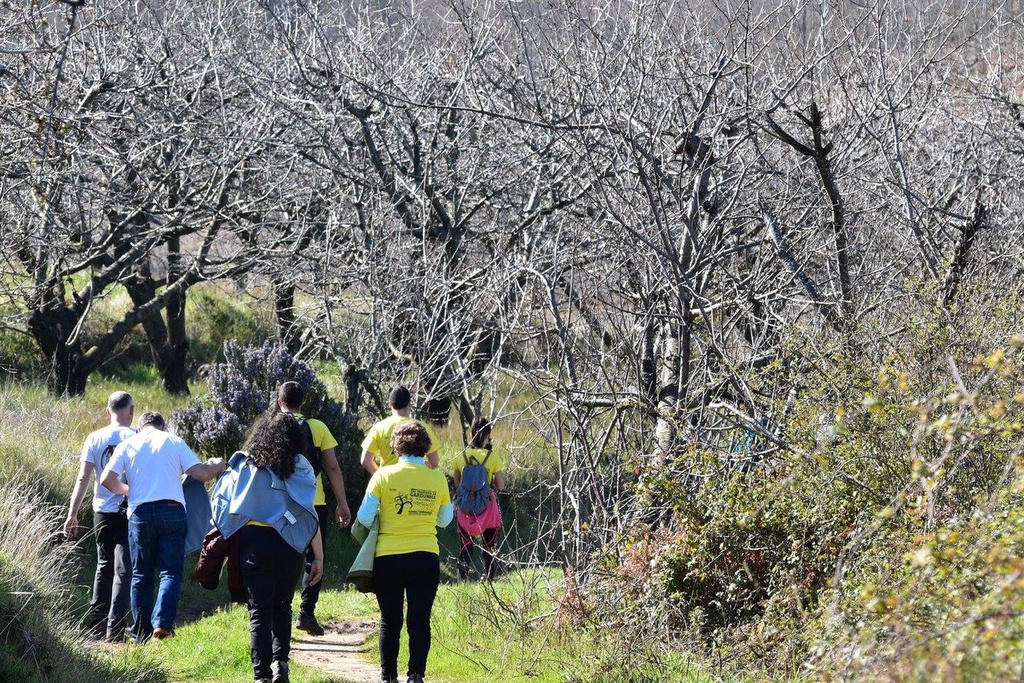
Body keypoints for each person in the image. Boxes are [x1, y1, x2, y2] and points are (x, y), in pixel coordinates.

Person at [211, 411, 324, 683]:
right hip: (290, 546)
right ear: (296, 438)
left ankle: (261, 675)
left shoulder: (247, 464)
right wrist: (318, 556)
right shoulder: (301, 466)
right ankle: (280, 665)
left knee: (259, 610)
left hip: (255, 545)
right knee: (283, 606)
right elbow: (309, 515)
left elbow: (221, 503)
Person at [100, 411, 226, 643]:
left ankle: (140, 633)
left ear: (140, 428)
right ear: (162, 426)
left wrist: (129, 491)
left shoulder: (128, 444)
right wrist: (217, 465)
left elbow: (106, 480)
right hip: (172, 512)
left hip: (140, 515)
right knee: (170, 572)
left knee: (141, 574)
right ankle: (162, 623)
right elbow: (202, 474)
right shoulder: (174, 441)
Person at [356, 421, 452, 683]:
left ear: (396, 446)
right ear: (424, 447)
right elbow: (444, 520)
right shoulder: (437, 478)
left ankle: (388, 676)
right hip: (425, 557)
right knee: (419, 620)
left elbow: (364, 518)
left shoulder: (383, 476)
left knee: (390, 620)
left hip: (388, 558)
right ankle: (416, 675)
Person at [276, 381, 350, 637]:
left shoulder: (272, 426)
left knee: (282, 556)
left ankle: (278, 608)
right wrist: (341, 502)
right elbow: (331, 467)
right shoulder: (317, 427)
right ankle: (306, 611)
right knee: (314, 558)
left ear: (279, 402)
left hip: (279, 503)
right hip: (313, 502)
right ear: (303, 402)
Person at [63, 390, 136, 641]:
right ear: (131, 411)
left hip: (101, 511)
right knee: (124, 567)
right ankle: (116, 628)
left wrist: (72, 514)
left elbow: (83, 478)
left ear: (108, 412)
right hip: (130, 509)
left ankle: (97, 621)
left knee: (104, 565)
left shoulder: (95, 438)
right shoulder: (137, 436)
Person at [453, 416, 506, 581]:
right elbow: (501, 486)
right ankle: (489, 578)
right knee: (489, 545)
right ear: (487, 434)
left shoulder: (460, 456)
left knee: (465, 545)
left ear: (472, 433)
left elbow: (457, 484)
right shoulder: (493, 457)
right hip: (487, 505)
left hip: (466, 505)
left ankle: (462, 578)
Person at [360, 386, 441, 474]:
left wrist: (380, 476)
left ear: (390, 404)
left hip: (389, 482)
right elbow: (434, 462)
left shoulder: (379, 427)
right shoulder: (421, 427)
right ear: (409, 403)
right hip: (415, 480)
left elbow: (365, 460)